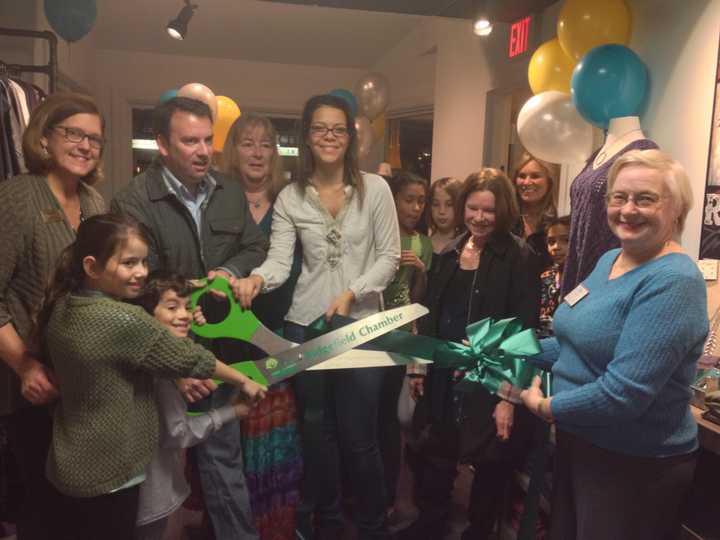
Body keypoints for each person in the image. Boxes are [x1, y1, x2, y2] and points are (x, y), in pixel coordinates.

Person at [37, 213, 266, 540]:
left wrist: (177, 309)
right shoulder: (120, 318)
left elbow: (134, 347)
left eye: (144, 262)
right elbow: (187, 359)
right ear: (92, 267)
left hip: (68, 463)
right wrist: (242, 380)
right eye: (129, 263)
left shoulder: (65, 304)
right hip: (112, 473)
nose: (141, 272)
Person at [235, 94, 400, 540]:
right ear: (307, 136)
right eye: (320, 129)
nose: (329, 137)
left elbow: (388, 258)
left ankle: (371, 525)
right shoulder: (290, 196)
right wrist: (254, 280)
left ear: (350, 137)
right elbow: (279, 261)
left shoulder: (376, 189)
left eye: (338, 129)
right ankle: (326, 524)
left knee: (359, 435)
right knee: (316, 431)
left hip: (363, 327)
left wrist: (353, 292)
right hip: (305, 324)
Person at [521, 149, 708, 540]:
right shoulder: (610, 260)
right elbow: (575, 343)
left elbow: (624, 394)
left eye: (645, 198)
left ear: (676, 209)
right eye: (618, 197)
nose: (627, 210)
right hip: (583, 442)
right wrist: (512, 348)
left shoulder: (674, 281)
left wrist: (548, 407)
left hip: (633, 462)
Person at [111, 96, 268, 540]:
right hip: (159, 360)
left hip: (221, 351)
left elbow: (253, 248)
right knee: (158, 471)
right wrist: (172, 367)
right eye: (190, 141)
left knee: (224, 461)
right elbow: (133, 291)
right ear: (162, 143)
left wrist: (232, 273)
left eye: (207, 140)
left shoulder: (230, 191)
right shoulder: (133, 202)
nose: (203, 151)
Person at [401, 168, 540, 540]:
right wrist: (418, 368)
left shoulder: (519, 257)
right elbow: (428, 315)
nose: (479, 218)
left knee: (490, 466)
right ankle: (430, 524)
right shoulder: (448, 252)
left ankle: (478, 533)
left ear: (504, 211)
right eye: (472, 208)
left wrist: (507, 397)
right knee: (434, 456)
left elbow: (523, 332)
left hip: (491, 378)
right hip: (444, 375)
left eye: (489, 211)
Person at [0, 92, 106, 540]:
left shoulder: (97, 203)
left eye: (95, 139)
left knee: (82, 511)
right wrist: (24, 365)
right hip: (31, 386)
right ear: (45, 138)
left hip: (82, 385)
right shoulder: (18, 196)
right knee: (42, 514)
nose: (85, 146)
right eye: (74, 134)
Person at [219, 113, 301, 539]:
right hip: (224, 342)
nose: (256, 152)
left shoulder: (291, 202)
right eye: (247, 143)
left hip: (277, 337)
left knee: (272, 446)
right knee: (226, 446)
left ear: (275, 153)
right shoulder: (217, 198)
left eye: (265, 144)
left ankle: (274, 528)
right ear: (233, 150)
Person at [134, 272, 253, 540]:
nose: (185, 314)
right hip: (149, 494)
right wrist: (231, 411)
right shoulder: (161, 374)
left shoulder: (152, 357)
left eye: (188, 307)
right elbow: (178, 433)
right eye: (172, 306)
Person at [379, 171, 433, 530]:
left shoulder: (423, 243)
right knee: (374, 415)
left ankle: (394, 496)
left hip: (403, 336)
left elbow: (419, 300)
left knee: (397, 418)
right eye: (408, 199)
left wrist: (420, 271)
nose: (414, 207)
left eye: (420, 201)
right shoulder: (382, 234)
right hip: (371, 329)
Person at [512, 153, 559, 267]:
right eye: (522, 176)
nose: (527, 182)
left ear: (549, 181)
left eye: (535, 176)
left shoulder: (556, 225)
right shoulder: (506, 219)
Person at [538, 215, 570, 338]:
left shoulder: (583, 278)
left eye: (565, 240)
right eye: (551, 242)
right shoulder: (545, 277)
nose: (556, 247)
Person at [427, 176, 462, 254]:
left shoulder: (466, 245)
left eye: (449, 204)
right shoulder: (424, 244)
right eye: (436, 204)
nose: (441, 211)